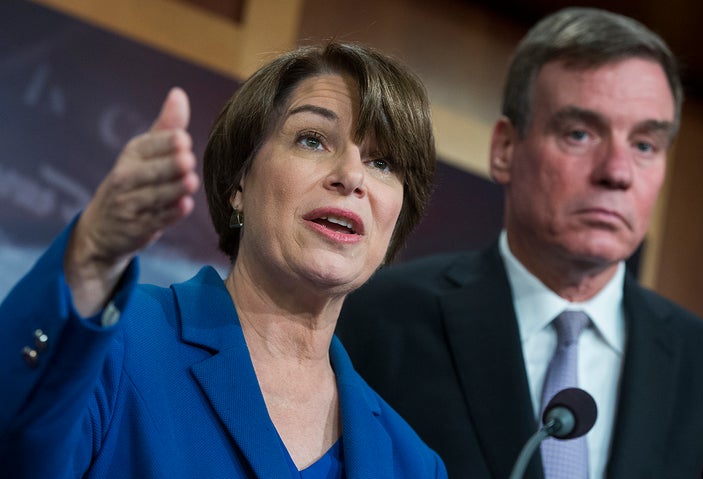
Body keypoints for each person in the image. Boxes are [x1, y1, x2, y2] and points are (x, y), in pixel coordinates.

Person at [0, 41, 447, 478]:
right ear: (239, 184)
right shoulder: (119, 342)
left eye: (383, 162)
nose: (351, 177)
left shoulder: (413, 464)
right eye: (312, 140)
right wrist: (92, 254)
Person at [336, 7, 703, 479]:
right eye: (580, 133)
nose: (617, 173)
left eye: (644, 145)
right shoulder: (375, 320)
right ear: (504, 149)